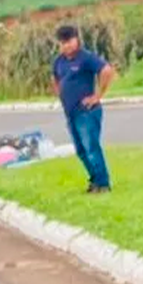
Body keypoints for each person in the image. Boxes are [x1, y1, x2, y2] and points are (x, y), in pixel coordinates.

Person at [52, 25, 117, 193]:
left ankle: (103, 183)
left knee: (91, 147)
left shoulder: (86, 58)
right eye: (63, 42)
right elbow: (56, 78)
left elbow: (106, 70)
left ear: (77, 40)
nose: (66, 45)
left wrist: (97, 96)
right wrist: (61, 95)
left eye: (69, 41)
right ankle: (94, 181)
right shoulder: (59, 61)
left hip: (86, 111)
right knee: (81, 150)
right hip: (70, 112)